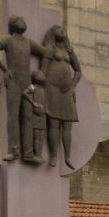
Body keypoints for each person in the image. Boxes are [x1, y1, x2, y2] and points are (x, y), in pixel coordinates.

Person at [0, 16, 41, 164]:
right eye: (20, 20)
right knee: (13, 115)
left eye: (24, 20)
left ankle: (29, 153)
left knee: (28, 117)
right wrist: (4, 69)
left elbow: (43, 53)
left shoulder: (28, 42)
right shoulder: (8, 40)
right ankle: (13, 150)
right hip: (14, 80)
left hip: (27, 80)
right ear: (13, 25)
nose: (24, 21)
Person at [35, 25, 82, 167]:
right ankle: (54, 155)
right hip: (52, 88)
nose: (61, 30)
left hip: (66, 90)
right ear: (52, 33)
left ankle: (67, 157)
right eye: (57, 29)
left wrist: (73, 87)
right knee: (53, 124)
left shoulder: (69, 51)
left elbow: (78, 71)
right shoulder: (50, 48)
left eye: (63, 29)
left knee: (67, 125)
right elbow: (43, 69)